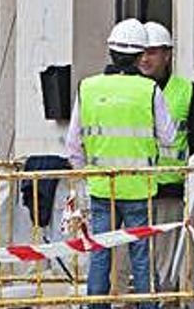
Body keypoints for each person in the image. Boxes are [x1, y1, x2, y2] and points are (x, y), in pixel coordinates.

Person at [65, 18, 174, 309]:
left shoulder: (87, 88)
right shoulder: (149, 90)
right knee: (141, 254)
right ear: (141, 55)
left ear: (111, 52)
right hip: (140, 188)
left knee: (100, 253)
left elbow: (73, 145)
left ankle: (96, 306)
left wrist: (84, 178)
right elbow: (169, 136)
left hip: (102, 188)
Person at [138, 21, 194, 299]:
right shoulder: (131, 90)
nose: (145, 59)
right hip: (133, 192)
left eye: (153, 52)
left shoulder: (187, 91)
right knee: (138, 264)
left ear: (168, 55)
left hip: (171, 191)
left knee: (167, 266)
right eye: (141, 52)